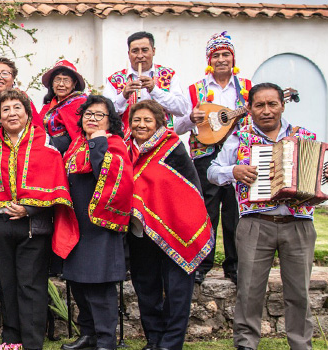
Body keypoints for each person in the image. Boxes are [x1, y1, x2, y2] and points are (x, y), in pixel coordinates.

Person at [208, 83, 328, 350]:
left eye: (272, 104)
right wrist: (234, 171)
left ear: (282, 105)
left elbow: (323, 179)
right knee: (249, 291)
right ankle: (246, 344)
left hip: (299, 224)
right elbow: (212, 171)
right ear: (250, 109)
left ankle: (301, 345)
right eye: (259, 105)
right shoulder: (239, 138)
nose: (266, 111)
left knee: (299, 293)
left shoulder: (306, 137)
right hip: (256, 223)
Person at [0, 90, 78, 350]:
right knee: (7, 284)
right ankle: (11, 338)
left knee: (31, 285)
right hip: (0, 225)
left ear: (27, 113)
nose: (12, 113)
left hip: (34, 226)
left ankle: (33, 341)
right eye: (5, 110)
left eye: (17, 108)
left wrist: (29, 209)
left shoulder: (46, 143)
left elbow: (55, 182)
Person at [127, 100, 213, 350]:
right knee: (145, 287)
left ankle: (172, 343)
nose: (141, 125)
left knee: (177, 291)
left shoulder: (172, 148)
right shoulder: (126, 150)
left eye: (147, 120)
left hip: (177, 229)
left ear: (159, 124)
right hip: (141, 232)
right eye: (136, 120)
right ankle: (154, 338)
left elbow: (190, 190)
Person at [53, 95, 134, 350]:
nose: (93, 119)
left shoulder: (114, 144)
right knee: (78, 282)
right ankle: (88, 334)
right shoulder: (76, 144)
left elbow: (108, 176)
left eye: (100, 115)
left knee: (100, 287)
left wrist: (98, 143)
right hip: (76, 225)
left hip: (101, 226)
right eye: (88, 114)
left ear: (110, 121)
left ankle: (106, 340)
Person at [179, 31, 252, 285]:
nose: (221, 59)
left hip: (238, 155)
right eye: (216, 55)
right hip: (204, 156)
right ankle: (202, 264)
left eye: (226, 55)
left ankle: (234, 266)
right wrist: (192, 119)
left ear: (233, 58)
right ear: (209, 60)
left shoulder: (248, 89)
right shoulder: (195, 90)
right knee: (207, 212)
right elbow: (177, 126)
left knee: (235, 211)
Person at [105, 31, 190, 133]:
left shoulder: (168, 75)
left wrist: (155, 90)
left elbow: (182, 109)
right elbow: (104, 113)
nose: (140, 56)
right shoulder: (115, 80)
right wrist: (123, 96)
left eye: (145, 50)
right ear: (128, 54)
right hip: (126, 143)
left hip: (162, 142)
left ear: (153, 51)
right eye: (135, 51)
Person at [39, 59, 88, 139]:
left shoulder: (81, 103)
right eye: (57, 80)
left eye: (66, 80)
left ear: (74, 84)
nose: (61, 84)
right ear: (52, 83)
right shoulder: (47, 108)